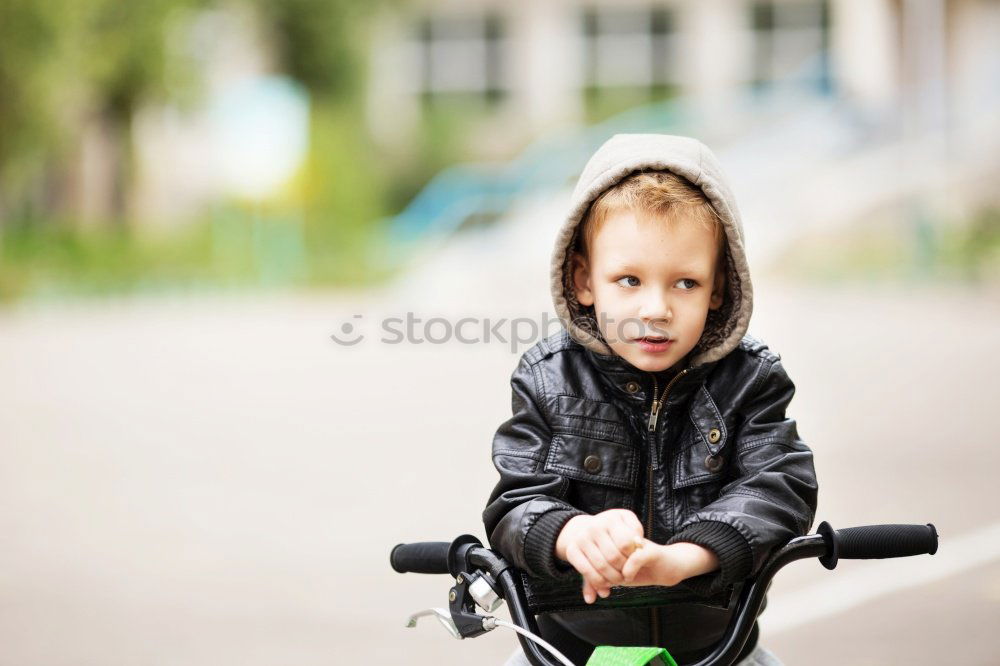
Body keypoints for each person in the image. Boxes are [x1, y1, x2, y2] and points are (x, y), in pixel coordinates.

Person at [482, 134, 818, 666]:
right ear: (584, 279)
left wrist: (686, 558)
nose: (656, 308)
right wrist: (573, 534)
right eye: (629, 280)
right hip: (566, 649)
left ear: (720, 288)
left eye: (685, 282)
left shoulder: (750, 379)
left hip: (718, 649)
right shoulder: (549, 378)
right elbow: (515, 503)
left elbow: (779, 486)